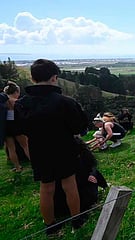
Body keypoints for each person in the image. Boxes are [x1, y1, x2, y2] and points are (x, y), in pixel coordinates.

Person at [14, 59, 89, 235]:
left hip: (39, 149)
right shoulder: (65, 102)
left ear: (32, 78)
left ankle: (51, 225)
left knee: (46, 188)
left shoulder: (22, 104)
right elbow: (79, 127)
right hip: (64, 147)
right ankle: (76, 220)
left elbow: (20, 129)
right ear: (54, 78)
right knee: (69, 184)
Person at [4, 81, 30, 172]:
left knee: (11, 148)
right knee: (25, 145)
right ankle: (34, 164)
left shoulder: (3, 102)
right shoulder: (16, 102)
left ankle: (17, 167)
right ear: (16, 92)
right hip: (16, 127)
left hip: (6, 127)